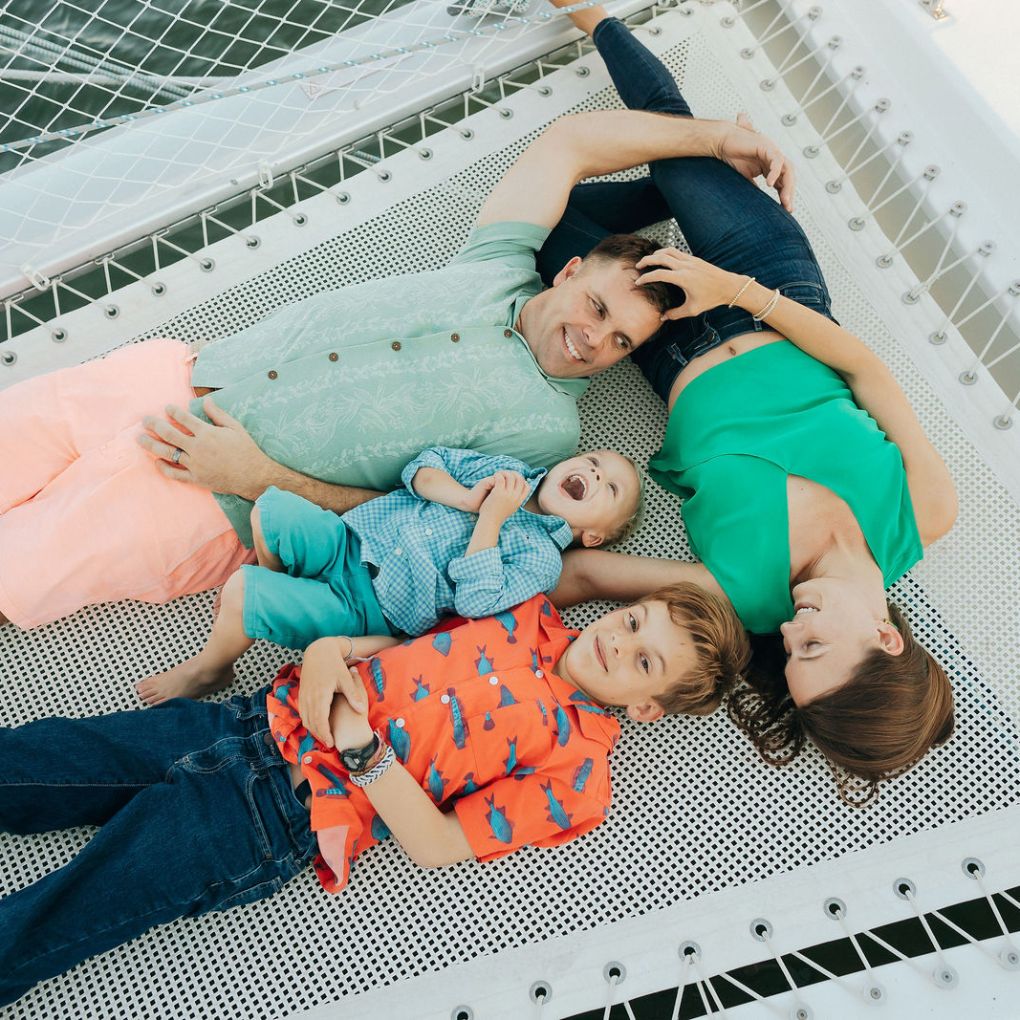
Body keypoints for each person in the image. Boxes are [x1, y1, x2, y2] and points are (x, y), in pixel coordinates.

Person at [0, 89, 794, 632]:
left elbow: (403, 523)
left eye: (620, 342)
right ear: (571, 271)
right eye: (597, 310)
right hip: (174, 374)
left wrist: (251, 476)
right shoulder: (497, 261)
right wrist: (719, 138)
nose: (594, 341)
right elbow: (573, 143)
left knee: (14, 577)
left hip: (206, 493)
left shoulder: (547, 442)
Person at [541, 6, 957, 800]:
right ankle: (595, 14)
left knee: (543, 214)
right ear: (886, 639)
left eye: (789, 655)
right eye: (816, 646)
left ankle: (668, 194)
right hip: (769, 286)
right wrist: (734, 290)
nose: (792, 630)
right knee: (676, 131)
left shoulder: (744, 601)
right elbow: (867, 371)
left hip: (660, 341)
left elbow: (585, 576)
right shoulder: (926, 513)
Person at [0, 586, 749, 1005]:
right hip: (247, 718)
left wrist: (361, 748)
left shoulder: (579, 777)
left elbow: (436, 844)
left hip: (269, 815)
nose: (618, 640)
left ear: (647, 707)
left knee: (66, 910)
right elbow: (398, 646)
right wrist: (332, 651)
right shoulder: (529, 612)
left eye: (641, 658)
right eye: (632, 620)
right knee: (34, 758)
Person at [137, 445, 641, 704]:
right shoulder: (505, 469)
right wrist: (467, 497)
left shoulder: (542, 559)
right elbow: (424, 465)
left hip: (371, 607)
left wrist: (491, 519)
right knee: (272, 509)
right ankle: (283, 598)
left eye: (609, 488)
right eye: (593, 461)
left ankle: (211, 667)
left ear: (591, 536)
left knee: (244, 589)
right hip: (350, 540)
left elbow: (477, 601)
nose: (595, 473)